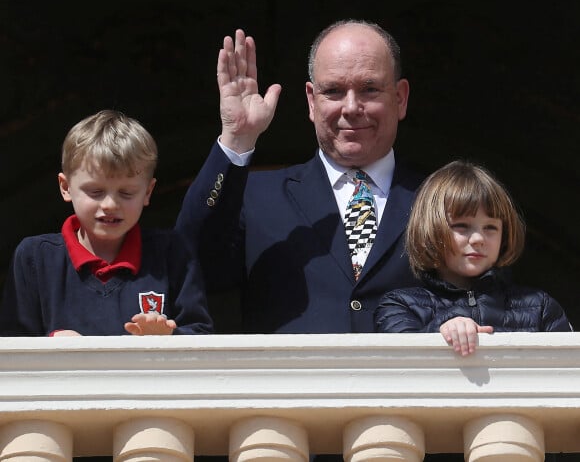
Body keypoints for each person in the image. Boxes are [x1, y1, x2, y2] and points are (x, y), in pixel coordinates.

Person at [176, 19, 424, 334]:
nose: (351, 107)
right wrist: (236, 139)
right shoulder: (258, 196)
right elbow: (190, 261)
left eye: (369, 89)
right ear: (311, 100)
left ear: (400, 97)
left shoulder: (440, 198)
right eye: (333, 91)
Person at [0, 109, 213, 336]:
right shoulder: (35, 258)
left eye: (127, 193)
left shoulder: (172, 253)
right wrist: (52, 347)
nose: (110, 204)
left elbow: (202, 338)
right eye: (96, 191)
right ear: (65, 187)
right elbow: (12, 348)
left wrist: (167, 338)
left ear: (148, 192)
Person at [374, 160, 573, 356]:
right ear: (431, 230)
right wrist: (439, 331)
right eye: (462, 226)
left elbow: (569, 372)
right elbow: (401, 369)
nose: (478, 239)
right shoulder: (400, 306)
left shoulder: (540, 307)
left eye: (490, 228)